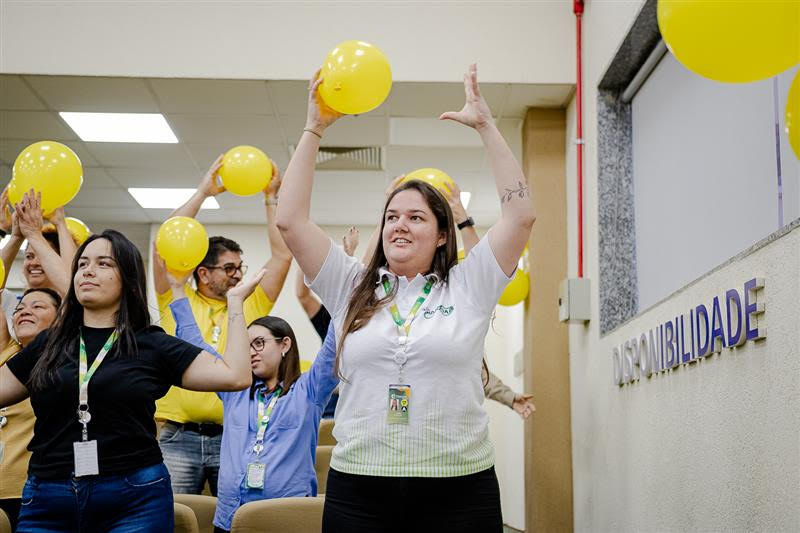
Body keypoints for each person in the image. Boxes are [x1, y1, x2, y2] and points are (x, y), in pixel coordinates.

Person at [277, 64, 536, 531]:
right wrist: (314, 128)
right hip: (360, 487)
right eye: (392, 215)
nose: (399, 224)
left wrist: (486, 126)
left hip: (459, 487)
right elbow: (290, 221)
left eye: (416, 217)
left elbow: (520, 217)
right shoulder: (351, 283)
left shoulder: (468, 285)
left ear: (442, 235)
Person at [0, 229, 261, 531]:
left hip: (133, 497)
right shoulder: (50, 344)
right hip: (49, 496)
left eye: (103, 264)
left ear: (127, 277)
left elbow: (236, 376)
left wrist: (236, 304)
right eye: (82, 264)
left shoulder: (150, 344)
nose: (88, 271)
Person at [152, 158, 292, 496]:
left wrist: (271, 199)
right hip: (175, 435)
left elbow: (283, 256)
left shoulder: (250, 302)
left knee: (231, 519)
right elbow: (164, 245)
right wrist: (202, 193)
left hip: (234, 432)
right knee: (175, 519)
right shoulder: (176, 295)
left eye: (240, 266)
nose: (238, 274)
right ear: (203, 272)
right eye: (229, 268)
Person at [166, 270, 339, 533]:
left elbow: (334, 344)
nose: (251, 353)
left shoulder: (308, 390)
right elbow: (195, 346)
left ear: (285, 345)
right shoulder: (236, 390)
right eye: (247, 346)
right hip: (230, 518)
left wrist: (342, 284)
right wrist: (178, 290)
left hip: (284, 519)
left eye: (259, 343)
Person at [0, 287, 61, 532]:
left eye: (38, 306)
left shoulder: (65, 358)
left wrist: (35, 245)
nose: (25, 311)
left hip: (34, 489)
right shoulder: (7, 354)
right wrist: (13, 244)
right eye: (19, 308)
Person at [0, 189, 77, 331]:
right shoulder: (13, 305)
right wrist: (16, 238)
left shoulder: (71, 308)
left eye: (41, 256)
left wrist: (60, 224)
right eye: (29, 256)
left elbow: (73, 284)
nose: (33, 263)